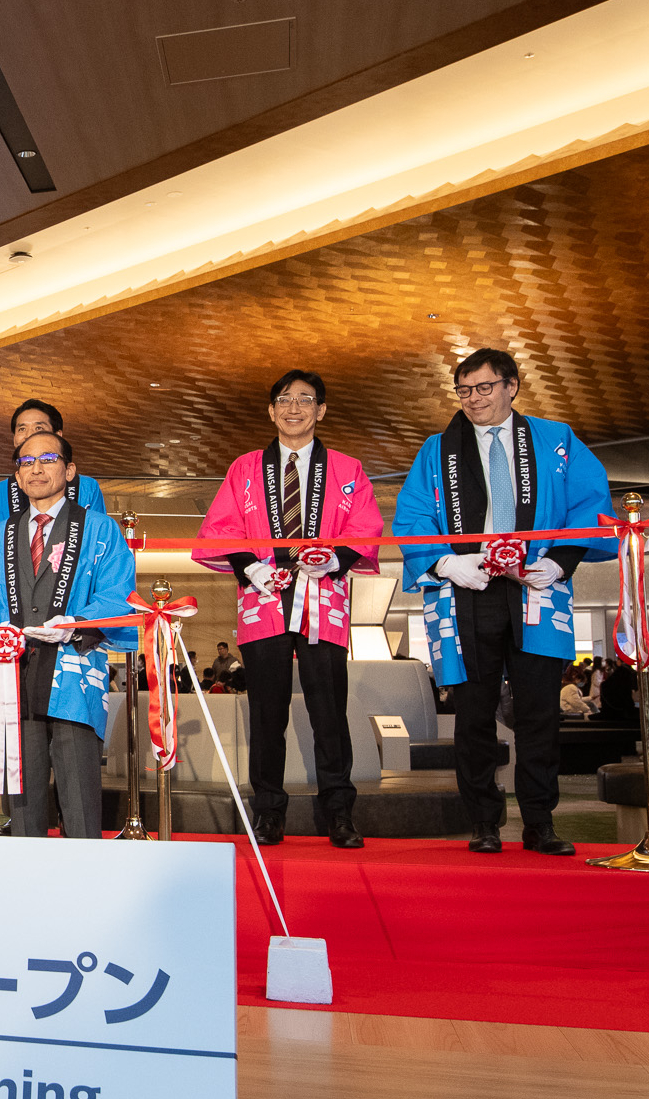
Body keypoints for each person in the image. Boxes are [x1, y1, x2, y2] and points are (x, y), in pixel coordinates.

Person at [395, 347, 614, 855]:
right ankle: (483, 821)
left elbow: (589, 502)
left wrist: (560, 561)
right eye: (464, 390)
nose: (474, 399)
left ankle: (540, 821)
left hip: (537, 586)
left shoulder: (555, 439)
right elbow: (413, 513)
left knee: (539, 711)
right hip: (467, 591)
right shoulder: (437, 449)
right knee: (472, 713)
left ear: (511, 386)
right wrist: (446, 562)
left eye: (484, 387)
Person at [194, 371, 384, 849]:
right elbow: (223, 527)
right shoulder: (245, 468)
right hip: (263, 597)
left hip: (324, 596)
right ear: (271, 410)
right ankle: (268, 812)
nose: (294, 407)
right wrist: (251, 568)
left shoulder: (346, 468)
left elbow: (364, 526)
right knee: (266, 712)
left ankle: (339, 812)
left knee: (329, 710)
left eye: (305, 399)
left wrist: (333, 560)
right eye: (284, 399)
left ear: (321, 410)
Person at [0, 429, 137, 837]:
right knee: (22, 801)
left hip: (73, 676)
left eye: (48, 459)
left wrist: (74, 623)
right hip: (12, 679)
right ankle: (27, 874)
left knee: (79, 796)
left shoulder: (100, 529)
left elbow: (119, 596)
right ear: (17, 476)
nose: (36, 469)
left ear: (70, 471)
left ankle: (85, 873)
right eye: (26, 462)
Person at [0, 398, 108, 570]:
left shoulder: (86, 488)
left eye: (39, 428)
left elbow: (101, 550)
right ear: (14, 439)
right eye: (21, 429)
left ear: (58, 435)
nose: (29, 435)